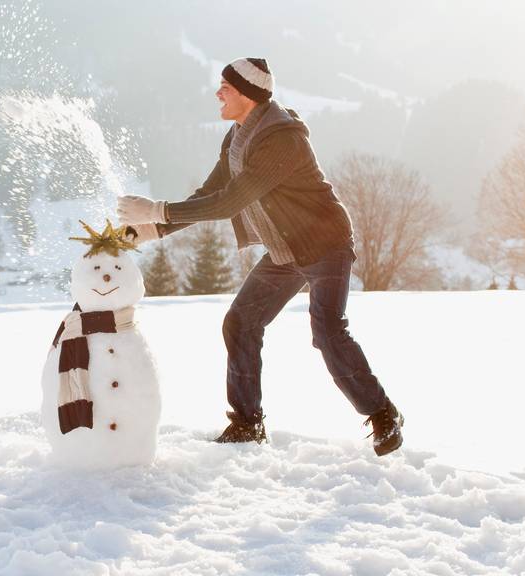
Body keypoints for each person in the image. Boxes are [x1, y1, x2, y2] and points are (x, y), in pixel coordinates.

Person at [117, 57, 403, 456]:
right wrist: (156, 229)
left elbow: (233, 200)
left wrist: (159, 209)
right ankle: (247, 424)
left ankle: (384, 414)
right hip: (285, 250)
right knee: (240, 322)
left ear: (248, 96)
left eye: (226, 88)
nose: (217, 93)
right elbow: (209, 194)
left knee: (326, 330)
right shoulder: (236, 137)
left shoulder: (282, 139)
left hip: (325, 246)